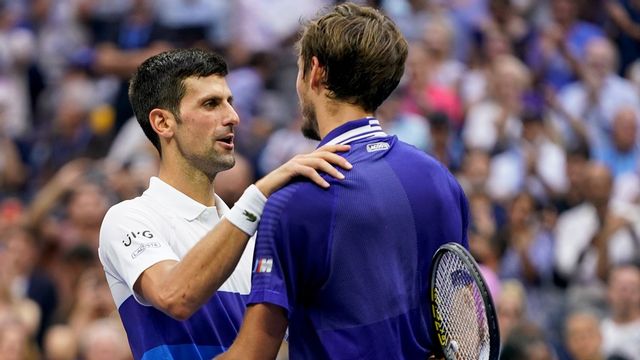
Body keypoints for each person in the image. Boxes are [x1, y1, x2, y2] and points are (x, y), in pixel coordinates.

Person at [218, 3, 469, 359]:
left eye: (300, 69)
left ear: (315, 71)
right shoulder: (441, 180)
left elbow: (253, 355)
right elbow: (458, 328)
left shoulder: (295, 201)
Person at [98, 48, 352, 359]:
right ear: (163, 122)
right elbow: (174, 295)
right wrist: (258, 196)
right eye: (211, 104)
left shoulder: (258, 235)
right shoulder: (129, 218)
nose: (232, 117)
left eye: (229, 102)